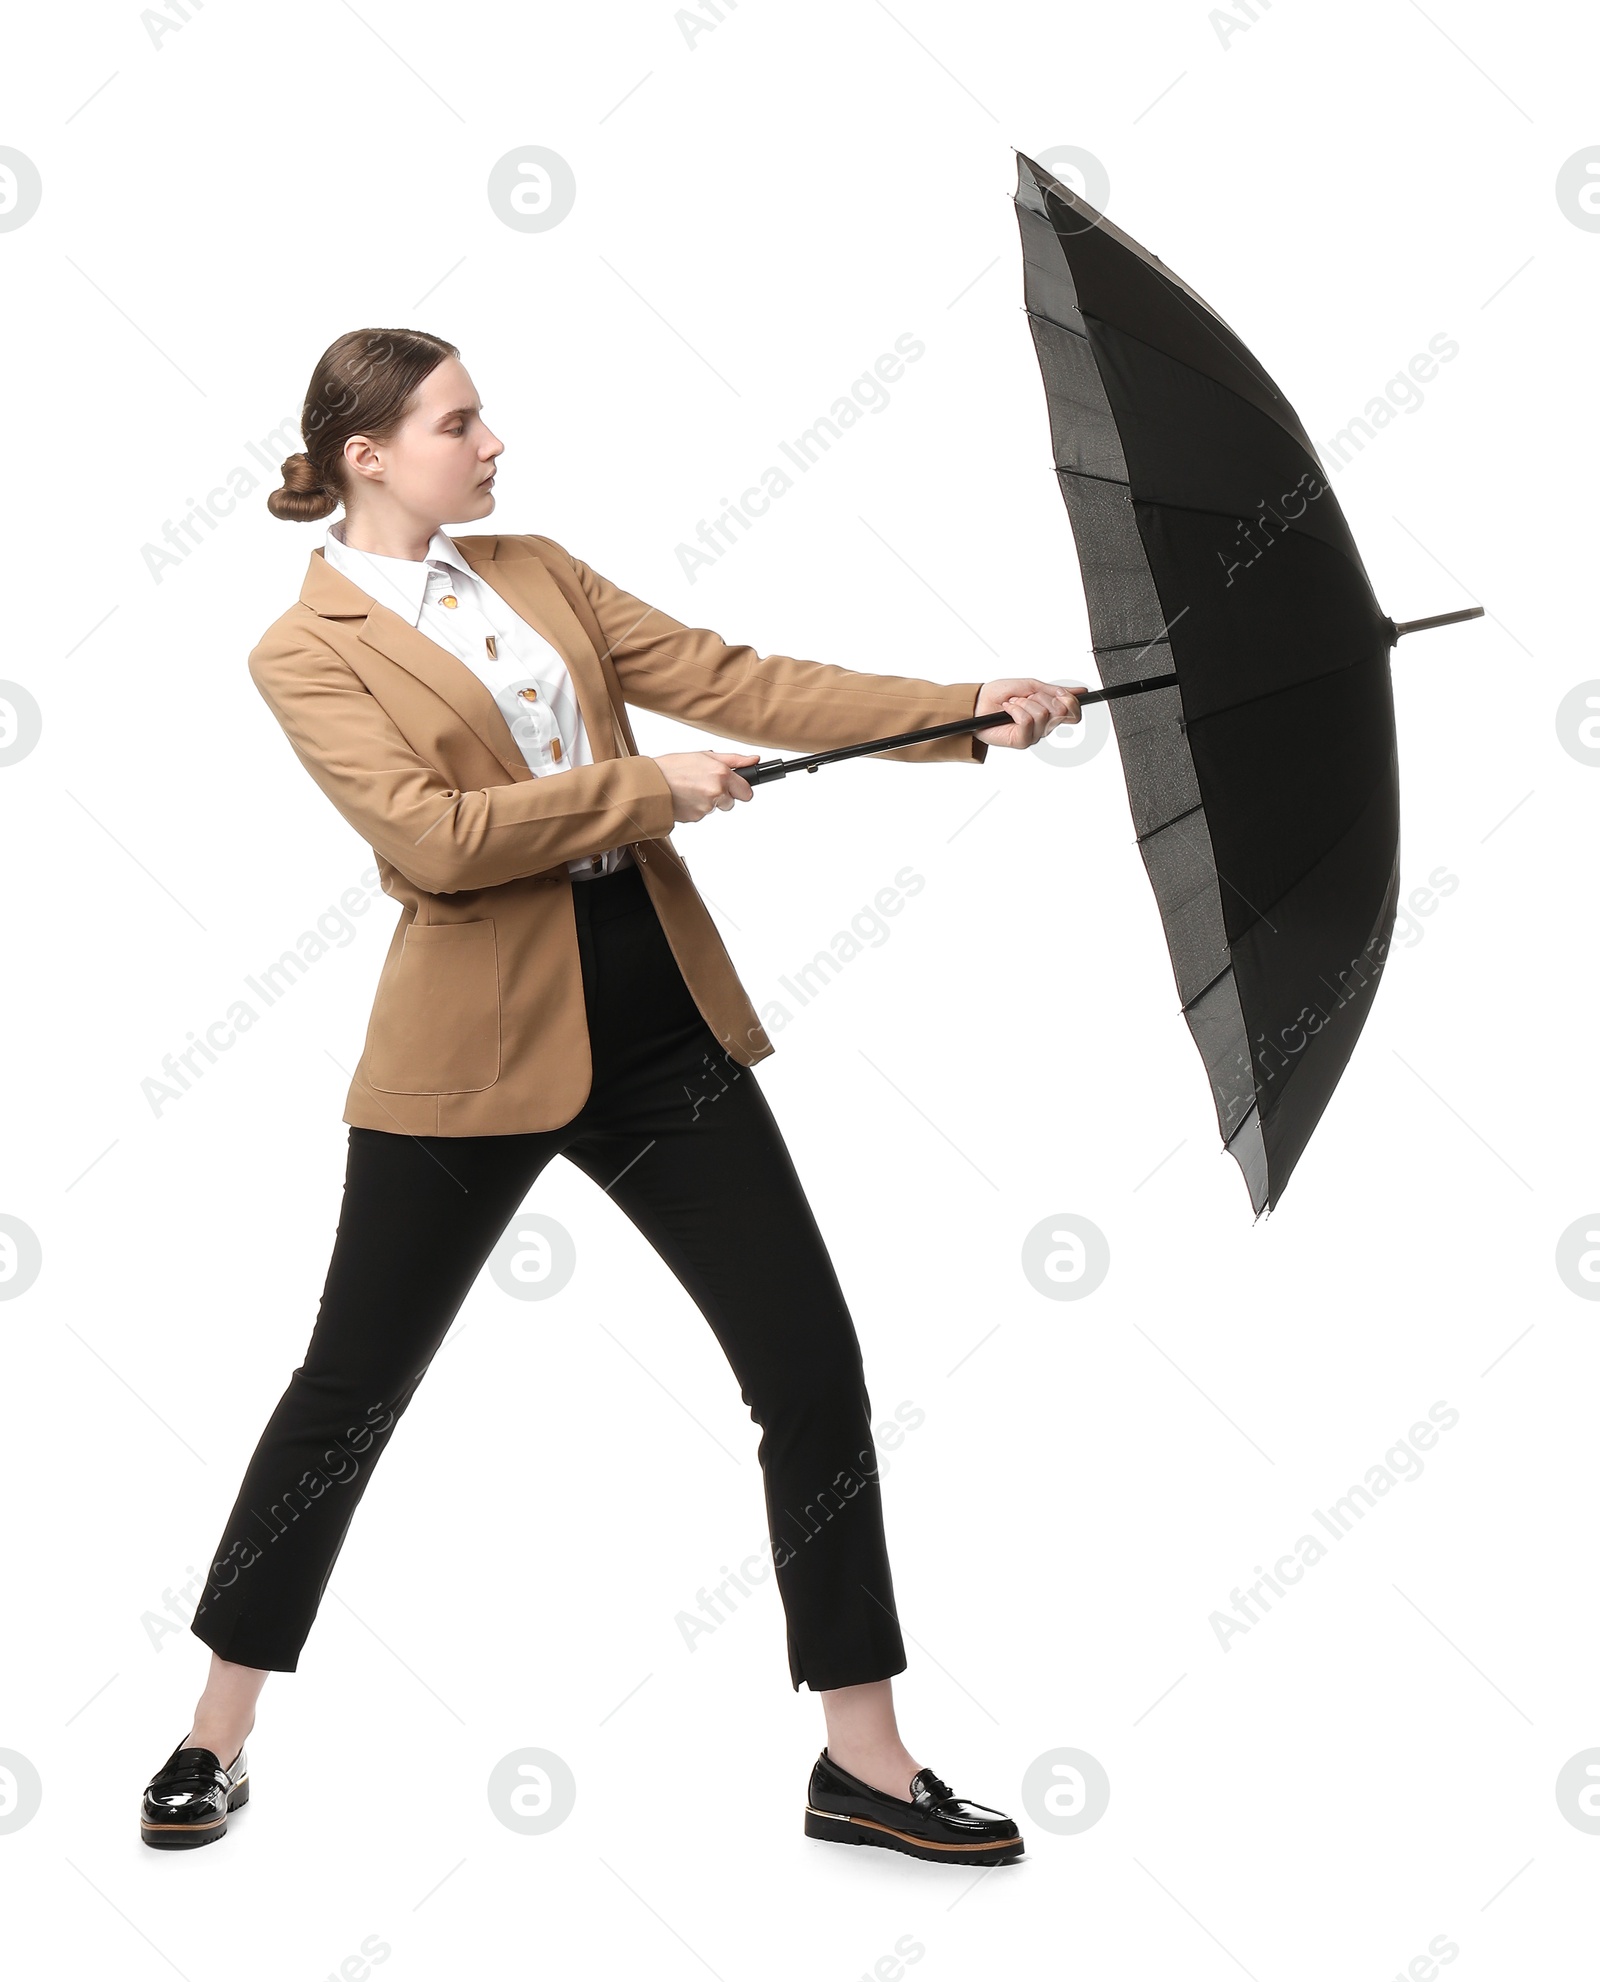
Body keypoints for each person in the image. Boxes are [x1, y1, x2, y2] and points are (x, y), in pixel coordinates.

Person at [137, 328, 1081, 1863]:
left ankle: (866, 1756)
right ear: (367, 454)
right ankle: (211, 1731)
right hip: (469, 1048)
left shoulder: (540, 569)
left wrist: (962, 704)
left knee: (811, 1366)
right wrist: (648, 788)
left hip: (654, 1012)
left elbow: (736, 678)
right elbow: (433, 838)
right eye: (458, 421)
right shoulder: (300, 648)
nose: (493, 440)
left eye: (483, 415)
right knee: (346, 1394)